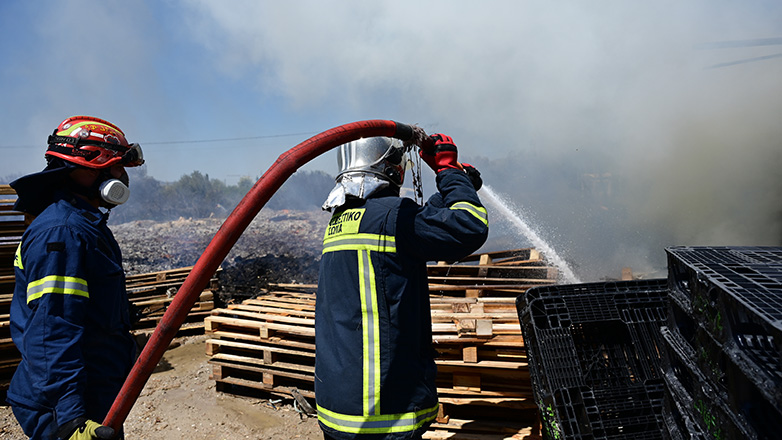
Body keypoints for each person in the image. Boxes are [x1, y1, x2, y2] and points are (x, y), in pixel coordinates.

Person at [315, 133, 488, 439]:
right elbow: (469, 226)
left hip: (341, 406)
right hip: (382, 411)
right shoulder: (390, 218)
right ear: (393, 170)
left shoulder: (344, 219)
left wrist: (460, 186)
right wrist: (448, 172)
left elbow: (416, 224)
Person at [8, 116, 145, 440]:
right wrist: (71, 422)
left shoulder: (81, 224)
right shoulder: (63, 233)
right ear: (87, 168)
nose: (121, 176)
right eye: (115, 167)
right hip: (68, 409)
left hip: (92, 396)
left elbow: (87, 311)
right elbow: (52, 329)